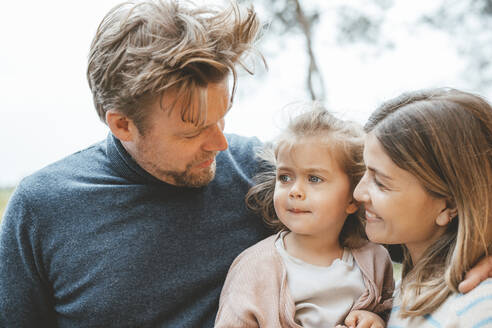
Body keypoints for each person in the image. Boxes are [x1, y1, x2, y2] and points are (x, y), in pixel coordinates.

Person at [0, 1, 270, 327]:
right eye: (192, 132)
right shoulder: (40, 209)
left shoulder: (263, 174)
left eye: (222, 117)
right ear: (123, 125)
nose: (220, 144)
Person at [215, 104, 394, 328]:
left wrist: (375, 319)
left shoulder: (375, 260)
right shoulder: (255, 268)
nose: (294, 190)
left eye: (314, 179)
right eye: (285, 177)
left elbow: (391, 313)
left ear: (353, 198)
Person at [353, 88, 492, 327]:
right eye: (365, 171)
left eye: (381, 182)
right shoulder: (408, 288)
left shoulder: (475, 308)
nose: (357, 193)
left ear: (448, 205)